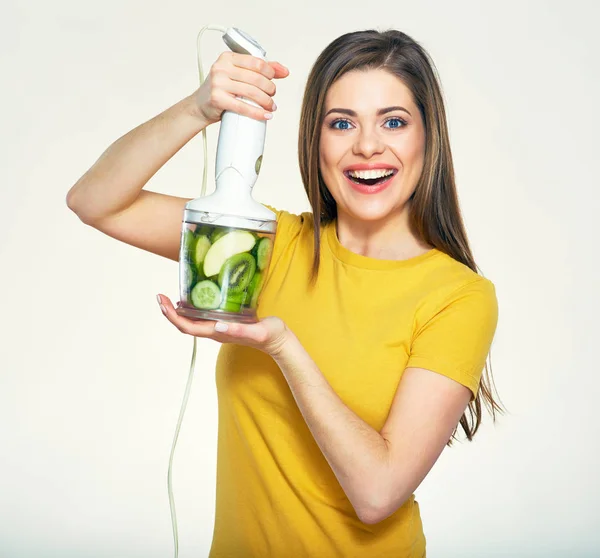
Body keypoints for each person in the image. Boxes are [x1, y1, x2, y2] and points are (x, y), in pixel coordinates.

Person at [66, 28, 501, 558]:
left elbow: (377, 493)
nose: (367, 145)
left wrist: (283, 348)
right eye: (341, 123)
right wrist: (200, 109)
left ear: (427, 139)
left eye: (393, 121)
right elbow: (96, 201)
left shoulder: (458, 296)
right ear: (313, 140)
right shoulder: (263, 243)